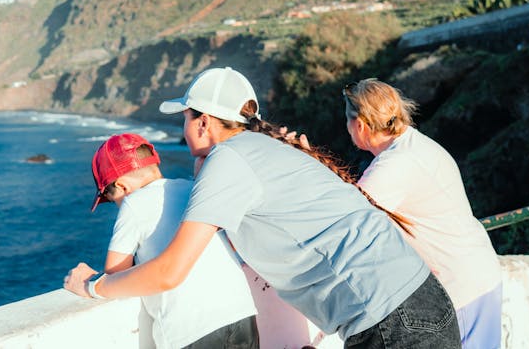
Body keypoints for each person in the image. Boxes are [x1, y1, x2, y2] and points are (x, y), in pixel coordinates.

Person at [65, 67, 461, 349]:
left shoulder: (230, 161)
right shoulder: (262, 150)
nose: (183, 129)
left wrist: (94, 286)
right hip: (417, 301)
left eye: (186, 118)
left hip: (391, 322)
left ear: (203, 123)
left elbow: (170, 272)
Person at [342, 78, 503, 349]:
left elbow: (345, 220)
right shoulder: (414, 144)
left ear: (359, 125)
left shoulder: (394, 165)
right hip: (475, 272)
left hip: (459, 287)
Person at [86, 132, 259, 349]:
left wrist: (89, 282)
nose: (119, 205)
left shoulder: (133, 203)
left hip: (191, 330)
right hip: (241, 314)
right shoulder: (193, 188)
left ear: (122, 186)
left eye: (113, 201)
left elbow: (115, 274)